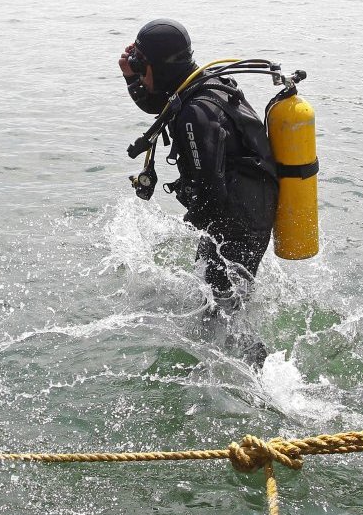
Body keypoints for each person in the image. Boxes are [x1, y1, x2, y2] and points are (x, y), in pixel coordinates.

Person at [118, 19, 278, 303]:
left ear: (163, 67)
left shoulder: (196, 115)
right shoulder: (197, 85)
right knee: (219, 303)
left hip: (238, 223)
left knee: (220, 313)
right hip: (246, 209)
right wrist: (131, 76)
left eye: (143, 68)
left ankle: (257, 348)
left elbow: (210, 193)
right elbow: (158, 104)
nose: (141, 75)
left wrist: (189, 223)